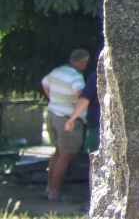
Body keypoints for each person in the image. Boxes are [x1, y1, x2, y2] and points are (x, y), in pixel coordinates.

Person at [41, 49, 89, 201]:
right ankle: (55, 193)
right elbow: (81, 95)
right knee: (66, 156)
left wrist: (54, 100)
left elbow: (44, 83)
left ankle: (49, 188)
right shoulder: (76, 77)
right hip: (68, 119)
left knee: (58, 152)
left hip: (53, 114)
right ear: (82, 62)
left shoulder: (57, 71)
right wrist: (75, 112)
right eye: (85, 63)